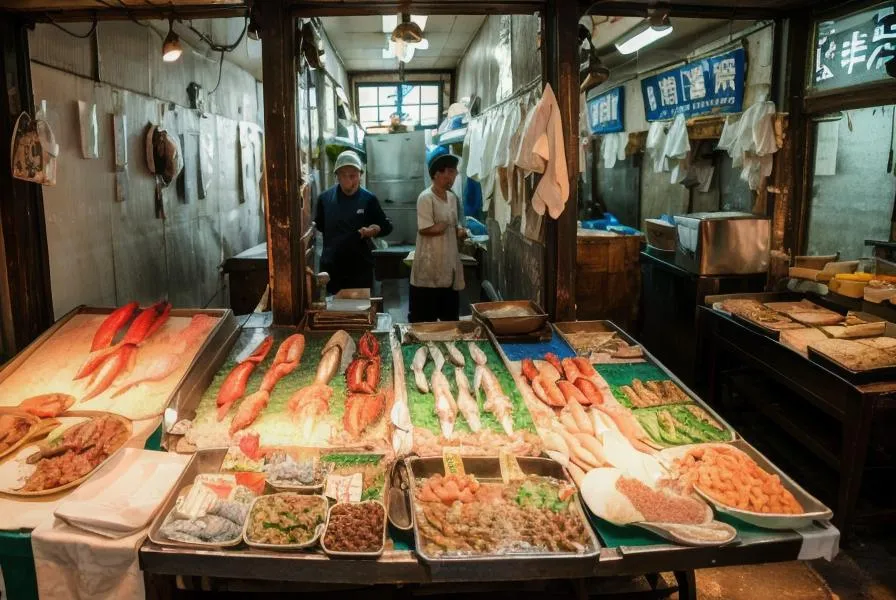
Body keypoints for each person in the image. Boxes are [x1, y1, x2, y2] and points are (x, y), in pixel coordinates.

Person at [314, 150, 393, 295]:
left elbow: (387, 227)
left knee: (361, 311)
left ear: (360, 176)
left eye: (353, 175)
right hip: (332, 268)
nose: (348, 180)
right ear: (337, 176)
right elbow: (320, 225)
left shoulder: (369, 199)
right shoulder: (324, 199)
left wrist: (373, 230)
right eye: (343, 175)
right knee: (334, 312)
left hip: (360, 268)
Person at [409, 152, 467, 322]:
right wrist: (444, 226)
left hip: (448, 265)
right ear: (436, 174)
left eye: (454, 172)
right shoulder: (426, 198)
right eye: (449, 172)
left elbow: (455, 225)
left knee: (449, 320)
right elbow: (424, 229)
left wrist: (459, 232)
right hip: (428, 267)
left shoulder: (452, 197)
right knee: (425, 322)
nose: (452, 177)